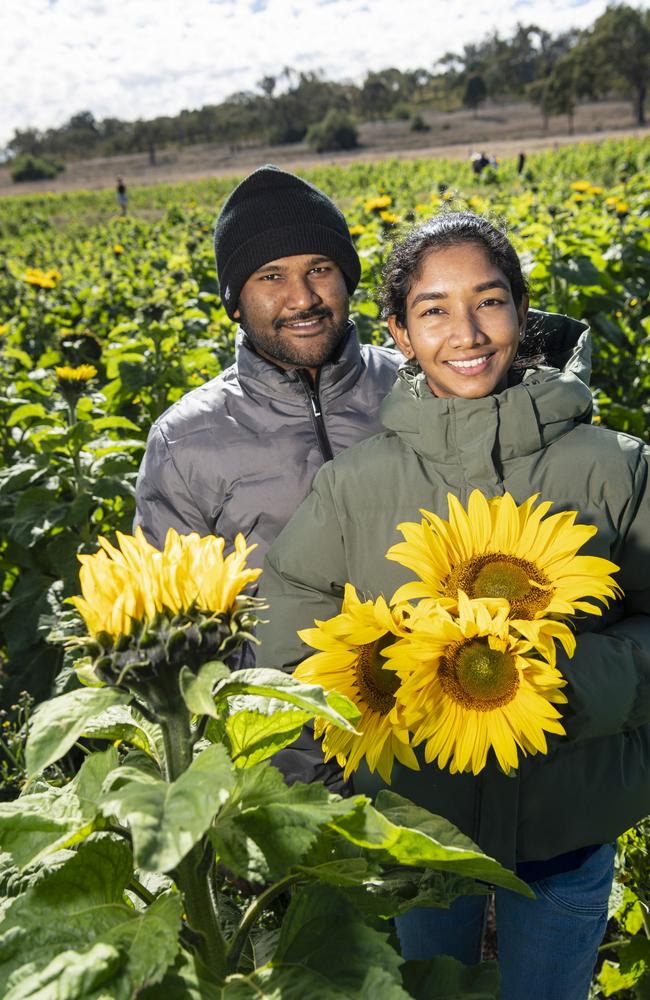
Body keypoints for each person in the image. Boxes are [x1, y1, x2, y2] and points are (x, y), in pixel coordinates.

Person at [257, 212, 650, 1000]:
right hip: (420, 822)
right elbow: (287, 618)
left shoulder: (614, 466)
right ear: (399, 332)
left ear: (522, 311)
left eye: (489, 301)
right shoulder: (357, 485)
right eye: (434, 309)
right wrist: (378, 692)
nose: (466, 332)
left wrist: (575, 682)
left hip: (569, 825)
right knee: (432, 981)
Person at [134, 164, 401, 787]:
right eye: (271, 276)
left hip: (442, 737)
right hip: (288, 772)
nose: (302, 298)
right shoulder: (187, 441)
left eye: (319, 269)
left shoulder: (418, 390)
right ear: (234, 299)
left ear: (347, 279)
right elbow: (177, 639)